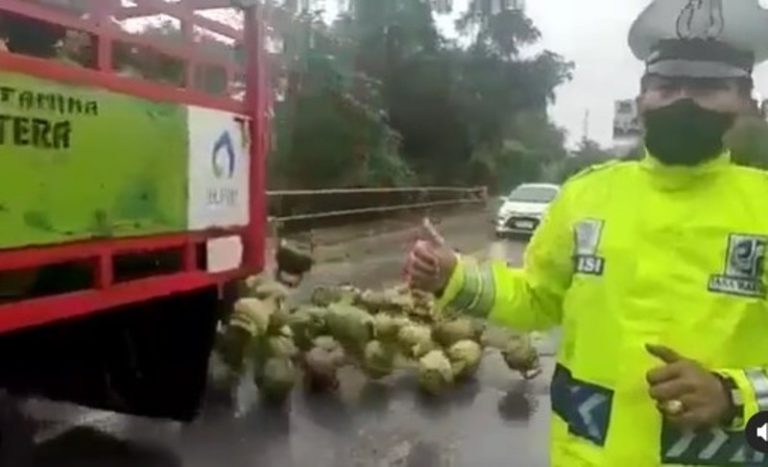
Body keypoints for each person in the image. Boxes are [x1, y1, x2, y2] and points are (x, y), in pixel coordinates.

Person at [407, 0, 768, 465]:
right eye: (666, 85)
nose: (683, 100)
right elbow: (537, 297)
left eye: (707, 87)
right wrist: (453, 276)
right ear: (642, 100)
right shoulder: (585, 197)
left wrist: (733, 395)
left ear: (744, 100)